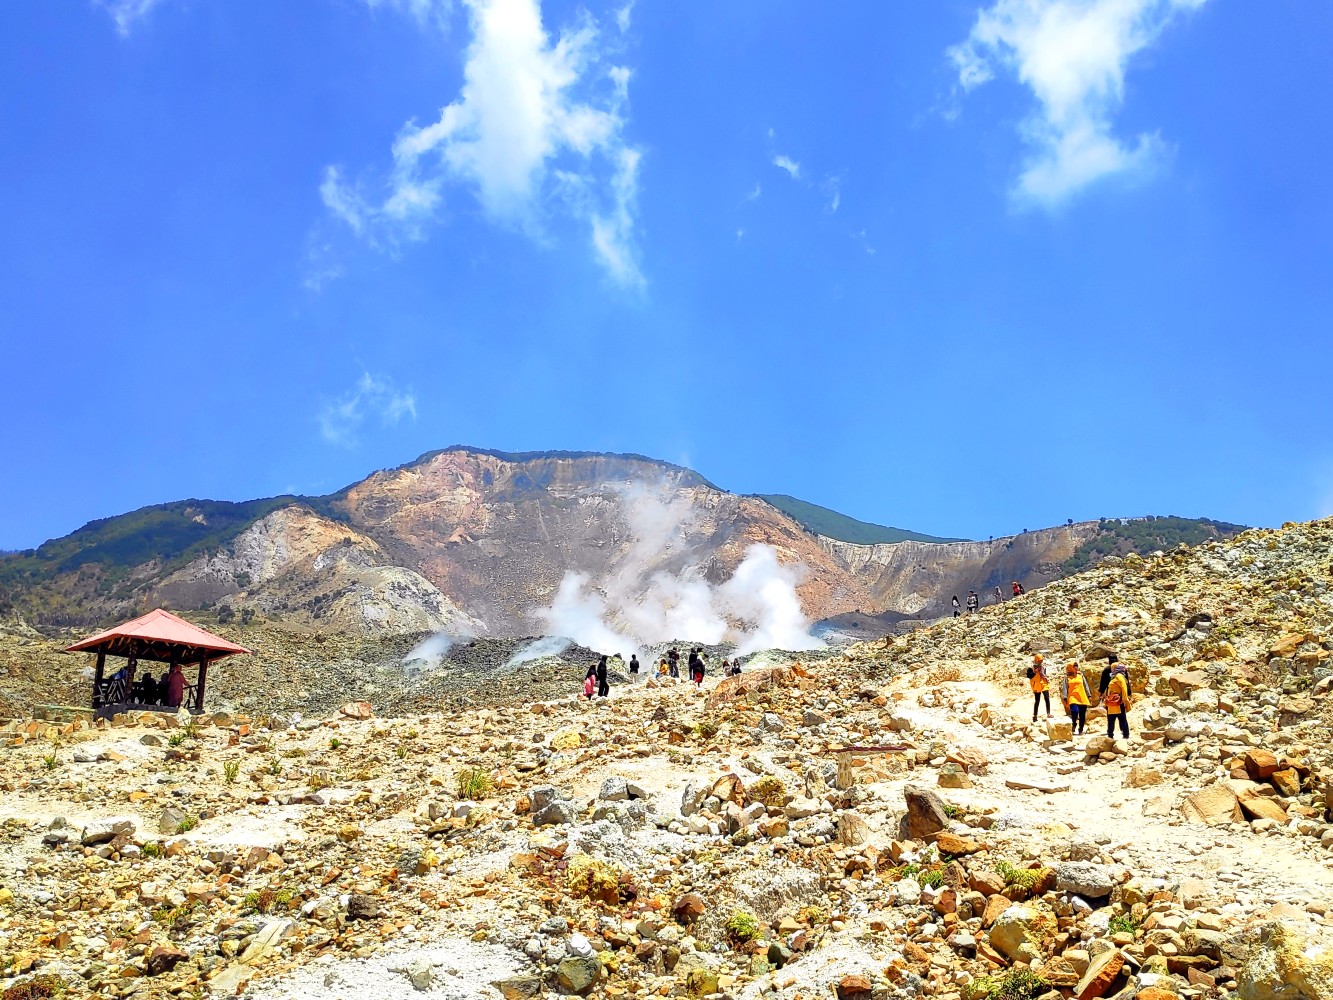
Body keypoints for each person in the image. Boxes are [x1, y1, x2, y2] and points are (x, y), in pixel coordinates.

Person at [1061, 662, 1090, 735]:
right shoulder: (1067, 678)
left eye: (1077, 666)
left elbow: (1085, 685)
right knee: (1074, 711)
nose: (1076, 667)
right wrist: (1064, 697)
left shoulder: (1080, 676)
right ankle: (1074, 723)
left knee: (1082, 715)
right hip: (1072, 697)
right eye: (1074, 666)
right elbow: (1065, 688)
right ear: (1070, 667)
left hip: (1082, 696)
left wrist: (1089, 695)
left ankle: (1081, 729)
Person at [1105, 660, 1132, 739]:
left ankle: (1125, 735)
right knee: (1111, 719)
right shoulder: (1114, 676)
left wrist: (1124, 699)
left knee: (1121, 718)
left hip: (1118, 702)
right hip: (1112, 702)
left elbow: (1124, 688)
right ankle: (1110, 736)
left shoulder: (1119, 676)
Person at [1028, 653, 1050, 722]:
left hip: (1043, 684)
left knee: (1047, 698)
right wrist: (1035, 672)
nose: (1041, 662)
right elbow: (1029, 676)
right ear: (1036, 660)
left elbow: (1044, 674)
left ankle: (1048, 713)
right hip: (1036, 685)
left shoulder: (1043, 667)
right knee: (1037, 701)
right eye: (1039, 660)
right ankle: (1035, 715)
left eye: (1041, 660)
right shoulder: (1031, 667)